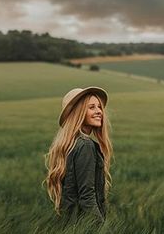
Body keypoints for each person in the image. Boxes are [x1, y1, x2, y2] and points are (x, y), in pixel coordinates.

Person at [43, 86, 113, 226]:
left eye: (99, 106)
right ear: (78, 112)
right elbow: (87, 197)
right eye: (91, 107)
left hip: (70, 227)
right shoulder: (85, 145)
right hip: (83, 228)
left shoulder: (71, 144)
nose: (99, 111)